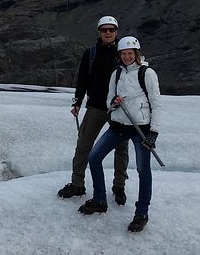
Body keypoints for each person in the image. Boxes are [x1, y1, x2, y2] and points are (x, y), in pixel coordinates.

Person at [78, 36, 162, 232]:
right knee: (94, 157)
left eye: (130, 53)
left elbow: (156, 103)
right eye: (123, 54)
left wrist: (154, 133)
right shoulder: (116, 74)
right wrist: (113, 103)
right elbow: (108, 101)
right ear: (120, 55)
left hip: (141, 128)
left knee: (143, 170)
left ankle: (141, 213)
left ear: (136, 54)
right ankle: (100, 199)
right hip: (118, 125)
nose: (126, 57)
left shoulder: (147, 73)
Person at [57, 16, 129, 204]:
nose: (108, 33)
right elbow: (82, 79)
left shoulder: (124, 54)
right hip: (96, 106)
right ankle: (77, 184)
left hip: (119, 109)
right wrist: (77, 102)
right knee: (83, 146)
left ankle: (119, 186)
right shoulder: (91, 54)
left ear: (116, 32)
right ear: (99, 32)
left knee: (121, 148)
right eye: (104, 30)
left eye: (111, 30)